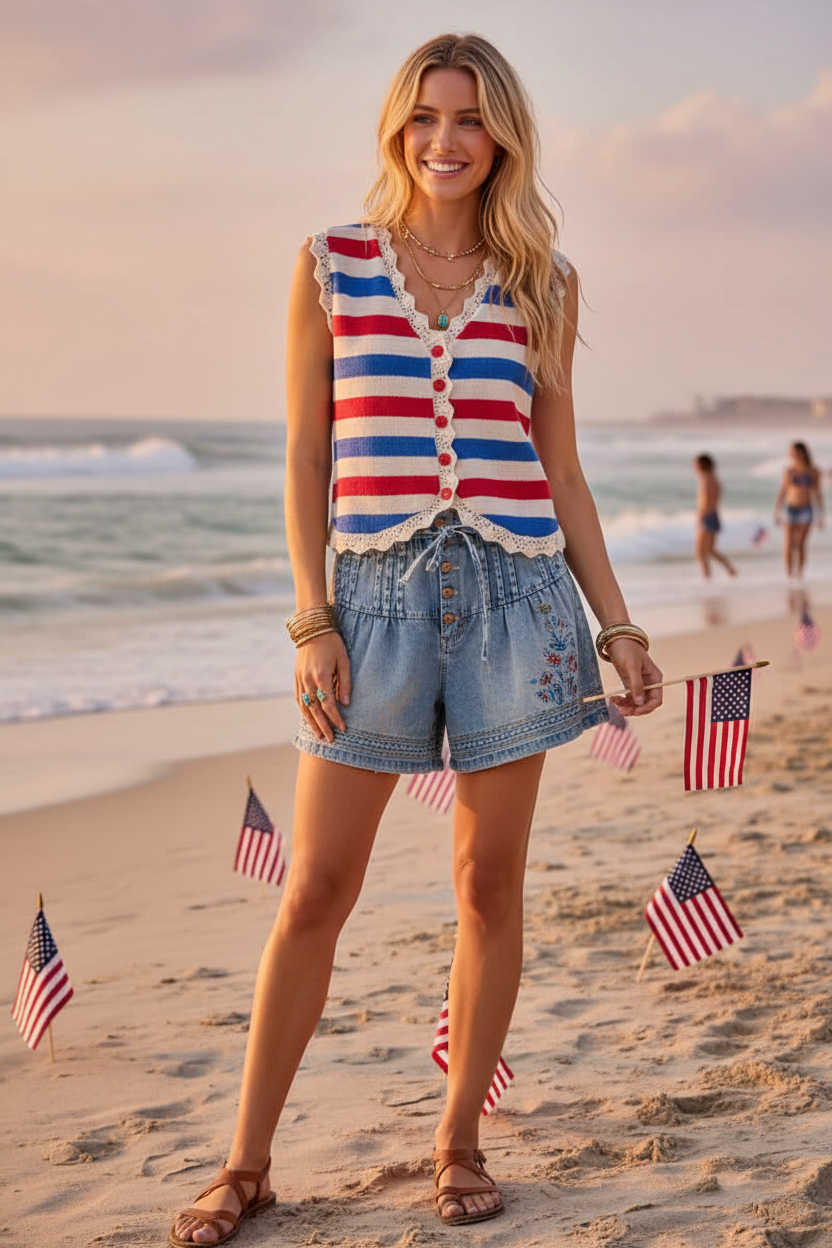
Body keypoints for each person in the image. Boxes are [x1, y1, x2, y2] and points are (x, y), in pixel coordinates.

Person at [167, 33, 662, 1245]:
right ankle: (245, 1163)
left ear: (503, 137)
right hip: (371, 605)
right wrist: (312, 620)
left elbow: (561, 471)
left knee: (488, 885)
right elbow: (306, 456)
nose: (445, 140)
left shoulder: (543, 282)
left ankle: (458, 1141)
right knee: (313, 891)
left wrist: (619, 625)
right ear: (397, 129)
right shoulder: (331, 263)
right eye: (426, 117)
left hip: (516, 601)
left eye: (471, 119)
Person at [775, 441, 824, 578]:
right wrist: (777, 511)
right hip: (790, 509)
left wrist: (820, 515)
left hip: (806, 509)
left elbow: (817, 493)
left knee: (800, 544)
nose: (793, 455)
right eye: (792, 453)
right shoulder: (789, 471)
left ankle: (799, 574)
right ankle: (789, 575)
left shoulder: (813, 471)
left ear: (803, 453)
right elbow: (783, 491)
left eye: (796, 452)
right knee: (788, 544)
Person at [693, 454, 736, 579]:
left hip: (708, 515)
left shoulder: (705, 480)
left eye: (696, 465)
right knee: (710, 550)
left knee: (700, 551)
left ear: (701, 465)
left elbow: (705, 502)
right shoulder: (715, 479)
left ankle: (707, 577)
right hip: (715, 514)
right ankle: (729, 569)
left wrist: (700, 517)